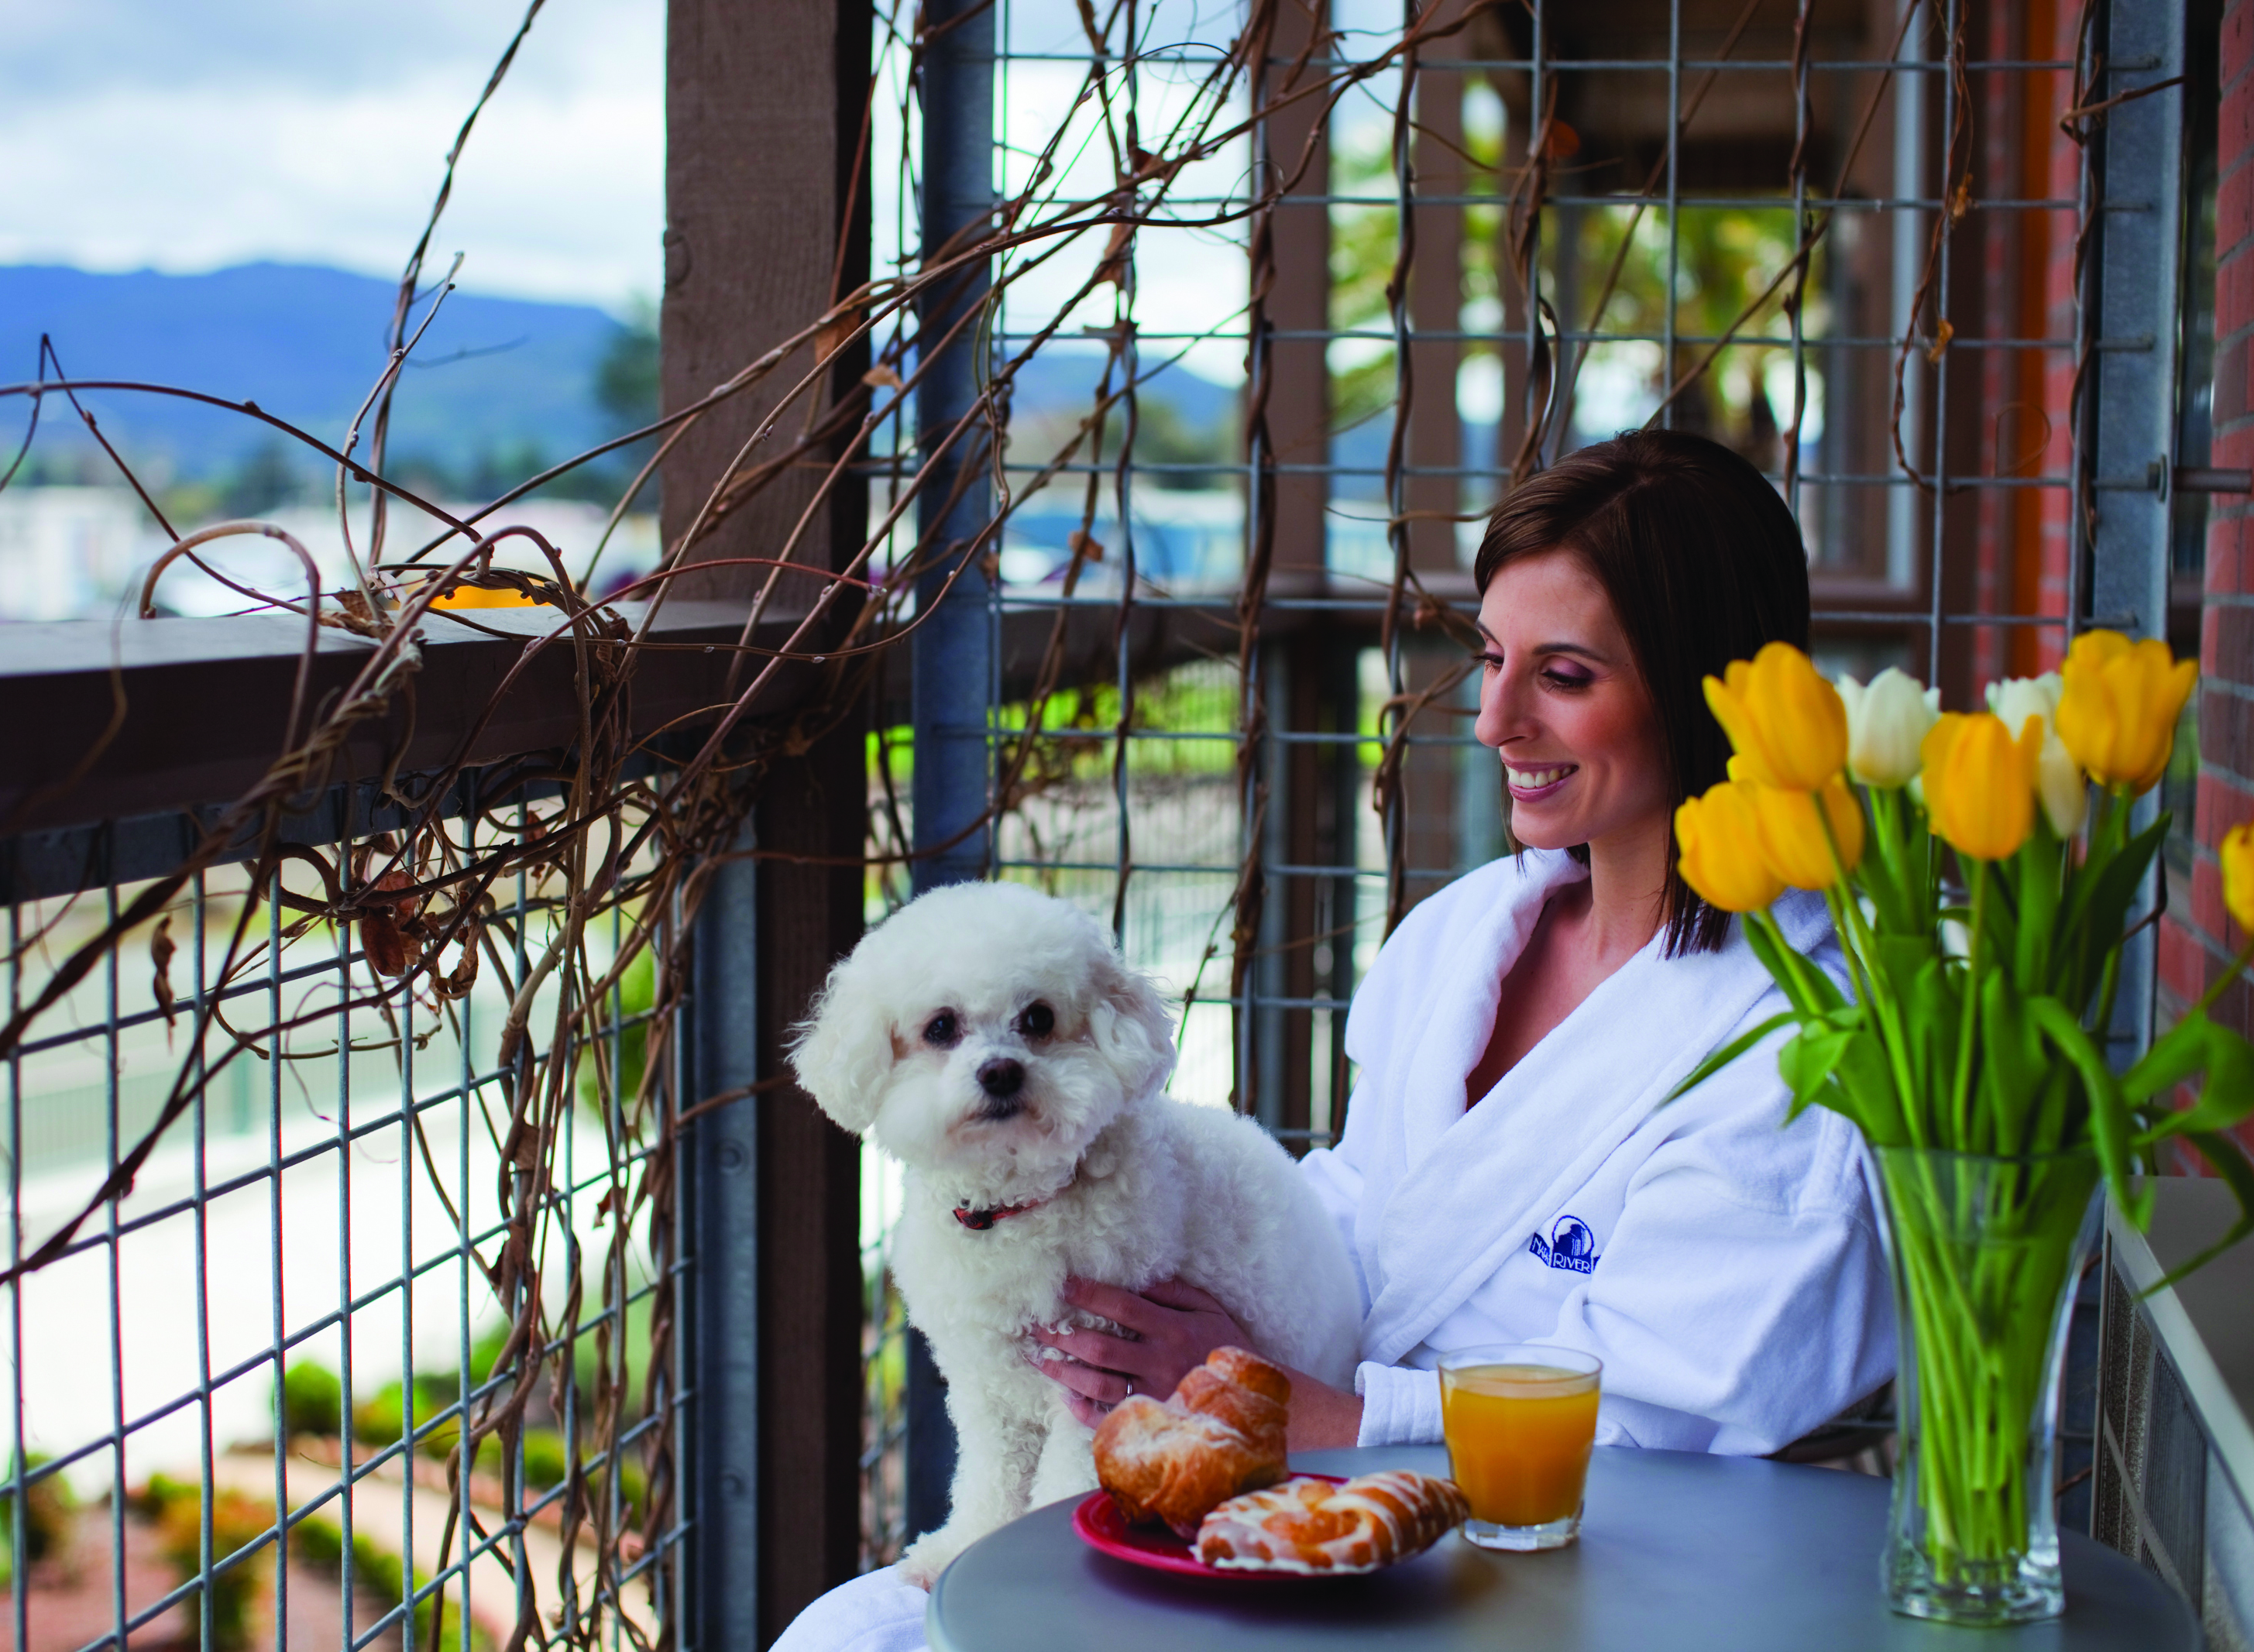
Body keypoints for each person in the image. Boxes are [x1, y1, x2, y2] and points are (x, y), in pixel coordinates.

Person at [773, 430, 1895, 1650]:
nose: (1495, 721)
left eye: (1564, 676)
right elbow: (1361, 1220)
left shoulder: (1795, 1041)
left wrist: (1299, 1409)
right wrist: (1191, 1303)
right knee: (848, 1628)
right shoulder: (1463, 937)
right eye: (1492, 658)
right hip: (1299, 1476)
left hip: (1562, 1568)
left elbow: (1660, 1431)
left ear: (1707, 688)